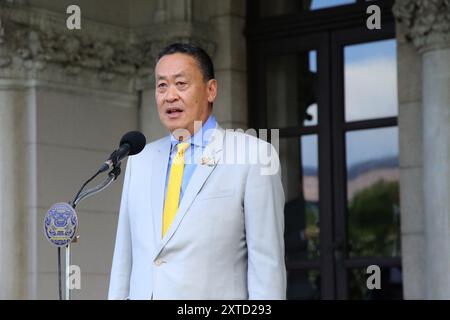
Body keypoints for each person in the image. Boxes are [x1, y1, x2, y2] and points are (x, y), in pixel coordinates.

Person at [108, 43, 286, 300]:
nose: (169, 96)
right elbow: (123, 260)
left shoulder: (254, 156)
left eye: (181, 84)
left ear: (210, 90)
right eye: (161, 85)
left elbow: (267, 268)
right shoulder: (140, 159)